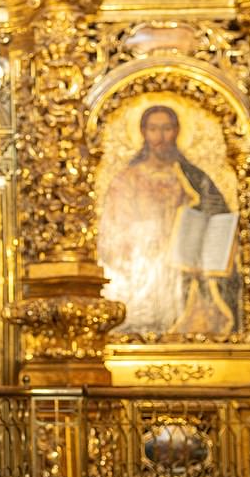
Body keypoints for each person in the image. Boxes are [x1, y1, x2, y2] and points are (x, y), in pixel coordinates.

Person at [98, 104, 239, 334]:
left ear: (177, 131)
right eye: (154, 129)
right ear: (143, 132)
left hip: (187, 267)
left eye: (167, 129)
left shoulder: (192, 176)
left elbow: (218, 217)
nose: (160, 137)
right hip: (145, 267)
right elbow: (116, 230)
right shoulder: (127, 179)